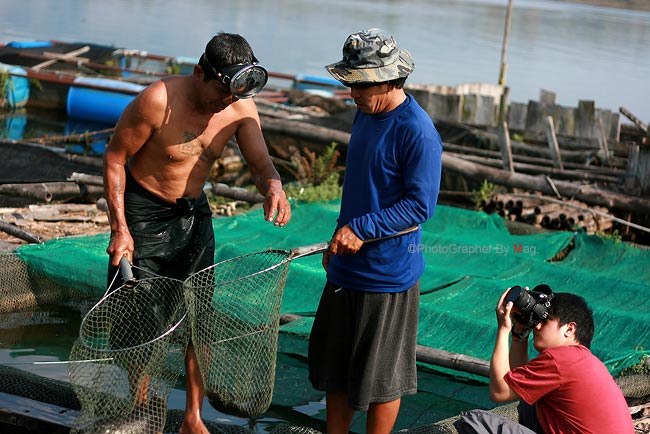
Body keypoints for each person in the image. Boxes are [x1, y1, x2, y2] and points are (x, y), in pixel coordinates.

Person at [103, 32, 291, 434]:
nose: (224, 103)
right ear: (198, 73)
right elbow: (115, 158)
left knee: (199, 319)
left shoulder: (239, 107)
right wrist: (120, 228)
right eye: (219, 93)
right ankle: (140, 406)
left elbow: (260, 164)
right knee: (142, 318)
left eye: (232, 96)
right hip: (143, 213)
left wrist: (274, 186)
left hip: (193, 214)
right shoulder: (158, 101)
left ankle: (193, 416)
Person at [307, 28, 443, 434]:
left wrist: (362, 229)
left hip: (387, 274)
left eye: (360, 84)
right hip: (346, 266)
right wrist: (340, 232)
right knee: (336, 366)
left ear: (389, 80)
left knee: (382, 376)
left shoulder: (416, 131)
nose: (352, 93)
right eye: (349, 83)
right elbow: (360, 186)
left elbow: (421, 207)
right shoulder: (364, 115)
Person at [455, 287, 634, 434]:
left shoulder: (561, 359)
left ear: (570, 329)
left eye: (545, 320)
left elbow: (499, 392)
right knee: (529, 402)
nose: (537, 326)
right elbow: (516, 383)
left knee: (474, 421)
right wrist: (519, 333)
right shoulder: (583, 360)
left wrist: (503, 329)